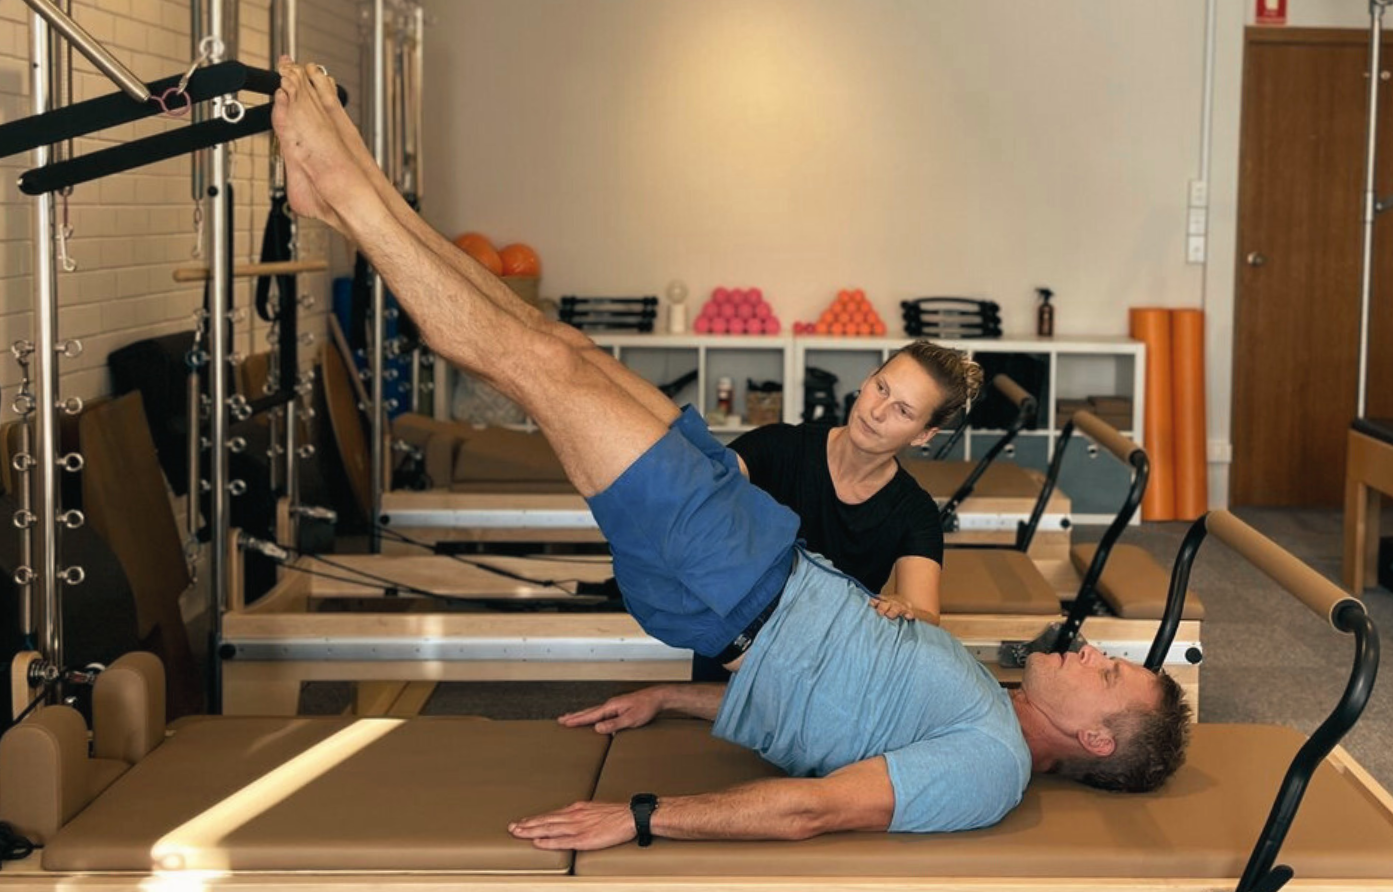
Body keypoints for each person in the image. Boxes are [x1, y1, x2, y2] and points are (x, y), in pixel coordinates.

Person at [270, 58, 1191, 850]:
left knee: (538, 365)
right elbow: (818, 707)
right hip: (756, 561)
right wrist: (672, 701)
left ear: (1095, 740)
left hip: (738, 583)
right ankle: (352, 196)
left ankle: (344, 190)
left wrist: (642, 816)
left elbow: (816, 807)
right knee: (562, 348)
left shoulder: (990, 766)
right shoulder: (987, 703)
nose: (1089, 651)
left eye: (1107, 674)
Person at [730, 342, 981, 626]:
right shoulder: (777, 446)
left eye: (903, 411)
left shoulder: (915, 511)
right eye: (881, 388)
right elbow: (705, 485)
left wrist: (904, 608)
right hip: (732, 636)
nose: (877, 412)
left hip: (825, 648)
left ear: (923, 435)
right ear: (868, 379)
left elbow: (926, 615)